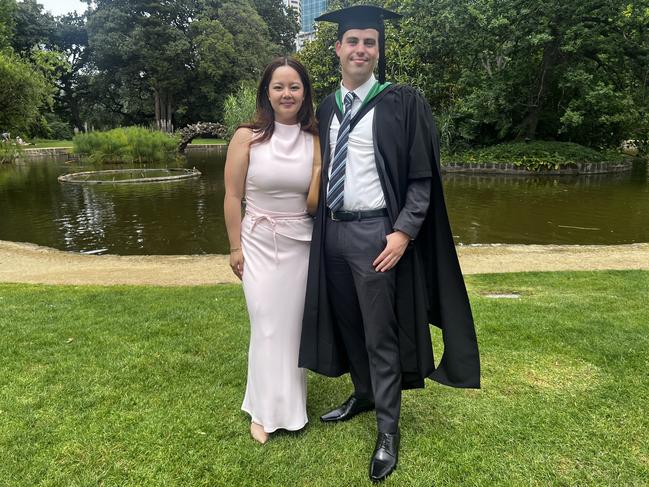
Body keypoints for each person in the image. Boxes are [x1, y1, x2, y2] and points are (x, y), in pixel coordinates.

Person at [298, 5, 481, 482]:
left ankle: (388, 430)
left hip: (376, 234)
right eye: (353, 41)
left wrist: (402, 232)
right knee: (348, 323)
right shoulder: (325, 106)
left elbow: (422, 179)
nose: (361, 50)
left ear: (378, 50)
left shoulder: (402, 102)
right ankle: (363, 393)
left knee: (380, 333)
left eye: (370, 43)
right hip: (332, 231)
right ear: (336, 49)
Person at [224, 57, 318, 444]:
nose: (286, 94)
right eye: (278, 86)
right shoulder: (247, 136)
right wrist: (234, 247)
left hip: (300, 244)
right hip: (257, 243)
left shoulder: (315, 140)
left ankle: (292, 407)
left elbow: (314, 204)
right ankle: (262, 413)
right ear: (267, 92)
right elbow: (232, 195)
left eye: (294, 86)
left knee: (290, 328)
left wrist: (317, 174)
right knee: (264, 324)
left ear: (304, 92)